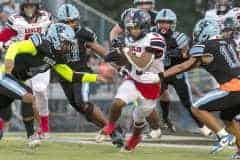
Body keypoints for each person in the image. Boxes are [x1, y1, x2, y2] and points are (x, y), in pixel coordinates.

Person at [1, 22, 109, 147]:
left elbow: (71, 75)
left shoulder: (57, 57)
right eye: (66, 43)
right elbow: (15, 47)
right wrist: (9, 64)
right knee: (28, 96)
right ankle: (31, 136)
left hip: (16, 81)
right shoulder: (39, 44)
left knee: (6, 114)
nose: (69, 47)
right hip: (4, 76)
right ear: (56, 39)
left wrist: (95, 77)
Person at [164, 18, 240, 158]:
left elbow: (184, 66)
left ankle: (223, 136)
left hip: (233, 88)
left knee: (197, 107)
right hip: (237, 85)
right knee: (227, 118)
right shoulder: (230, 42)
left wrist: (160, 75)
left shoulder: (204, 45)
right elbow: (202, 63)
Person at [103, 9, 165, 151]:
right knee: (118, 102)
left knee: (139, 117)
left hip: (151, 83)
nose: (132, 31)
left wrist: (125, 50)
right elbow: (125, 59)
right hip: (134, 80)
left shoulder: (155, 39)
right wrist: (116, 60)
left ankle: (136, 137)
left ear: (145, 26)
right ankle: (110, 125)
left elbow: (143, 63)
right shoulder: (128, 40)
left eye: (135, 27)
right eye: (129, 28)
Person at [152, 9, 211, 135]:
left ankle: (202, 127)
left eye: (167, 22)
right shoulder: (151, 36)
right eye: (161, 22)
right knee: (151, 100)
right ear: (157, 23)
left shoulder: (179, 37)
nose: (164, 25)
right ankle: (161, 123)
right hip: (159, 72)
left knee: (187, 102)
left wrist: (177, 54)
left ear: (173, 24)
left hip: (176, 73)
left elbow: (186, 56)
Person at [0, 0, 52, 139]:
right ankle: (35, 129)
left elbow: (54, 34)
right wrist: (4, 44)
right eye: (27, 6)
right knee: (17, 95)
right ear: (22, 7)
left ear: (37, 7)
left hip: (41, 60)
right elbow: (3, 36)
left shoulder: (46, 18)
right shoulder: (16, 20)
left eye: (32, 6)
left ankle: (44, 127)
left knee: (40, 90)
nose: (29, 9)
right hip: (22, 63)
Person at [56, 4, 109, 133]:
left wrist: (114, 60)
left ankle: (112, 128)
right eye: (66, 22)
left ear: (77, 20)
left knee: (82, 102)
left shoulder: (83, 34)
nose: (69, 24)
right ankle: (110, 131)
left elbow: (99, 50)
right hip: (64, 75)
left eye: (72, 21)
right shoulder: (54, 34)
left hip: (81, 73)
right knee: (80, 108)